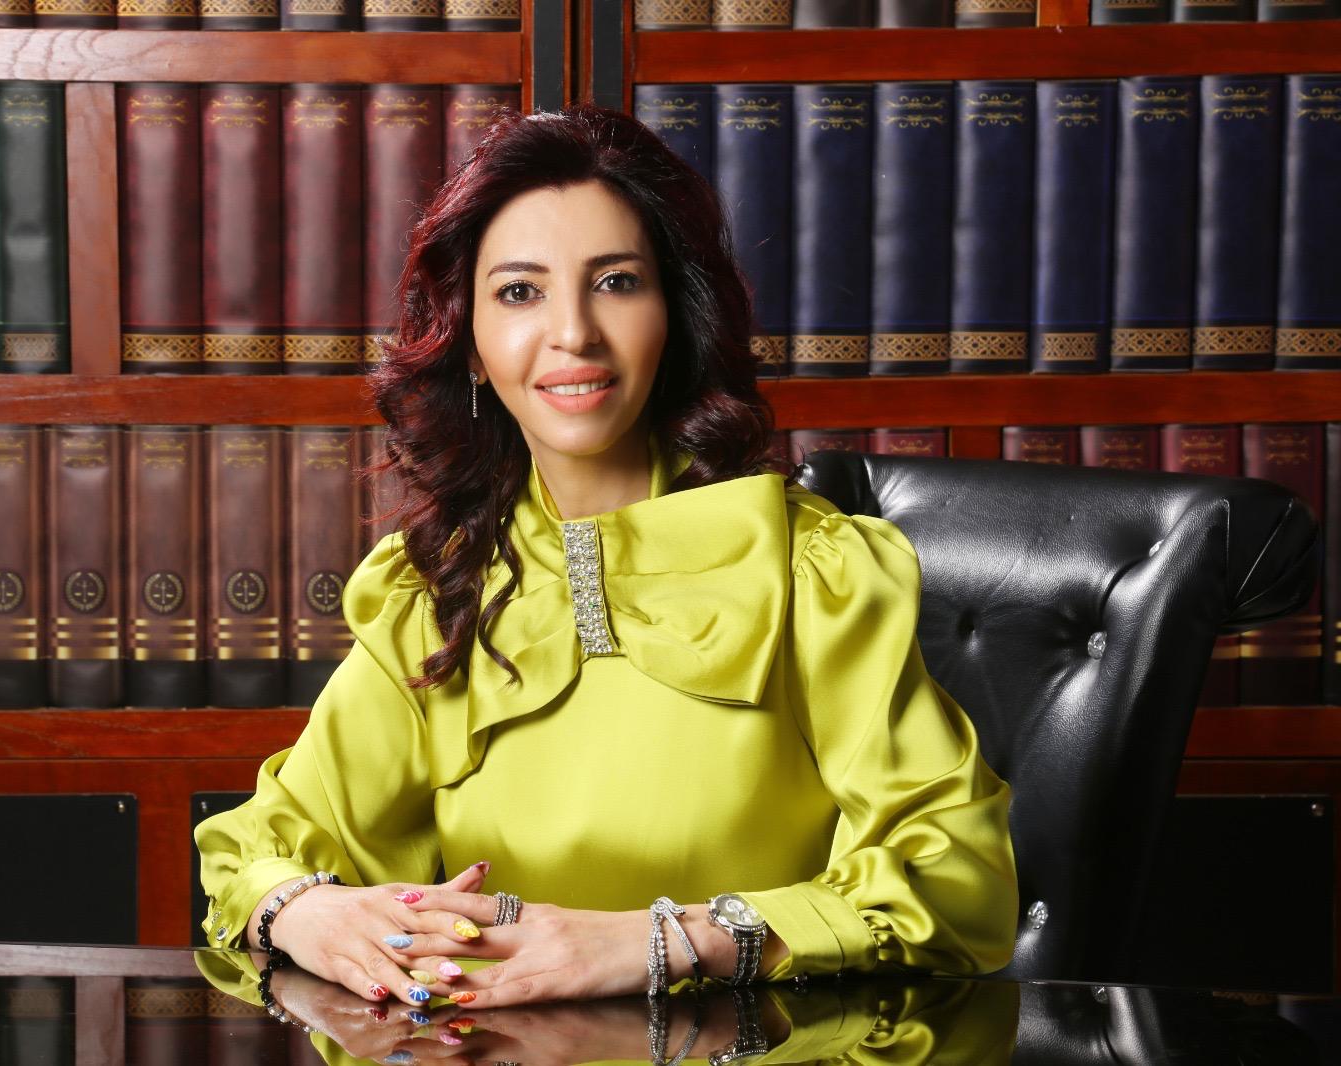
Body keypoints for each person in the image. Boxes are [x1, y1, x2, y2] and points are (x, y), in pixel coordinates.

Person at [195, 101, 1017, 1011]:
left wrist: (665, 941)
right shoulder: (434, 590)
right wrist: (308, 912)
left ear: (675, 317)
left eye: (617, 282)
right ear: (470, 345)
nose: (574, 332)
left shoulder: (810, 572)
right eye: (520, 292)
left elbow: (957, 879)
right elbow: (259, 850)